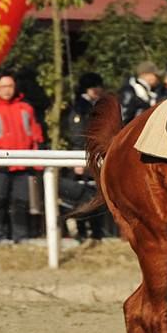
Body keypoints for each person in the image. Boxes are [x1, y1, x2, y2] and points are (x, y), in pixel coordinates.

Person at [0, 72, 43, 244]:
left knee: (21, 201)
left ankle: (21, 236)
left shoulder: (26, 108)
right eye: (3, 86)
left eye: (10, 86)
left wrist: (37, 161)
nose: (7, 90)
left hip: (22, 162)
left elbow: (36, 135)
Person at [62, 72, 108, 241]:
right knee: (82, 195)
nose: (96, 90)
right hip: (82, 153)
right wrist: (81, 155)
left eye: (98, 86)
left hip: (99, 153)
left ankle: (97, 232)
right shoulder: (79, 107)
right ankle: (81, 232)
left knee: (97, 192)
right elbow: (77, 134)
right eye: (92, 87)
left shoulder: (100, 105)